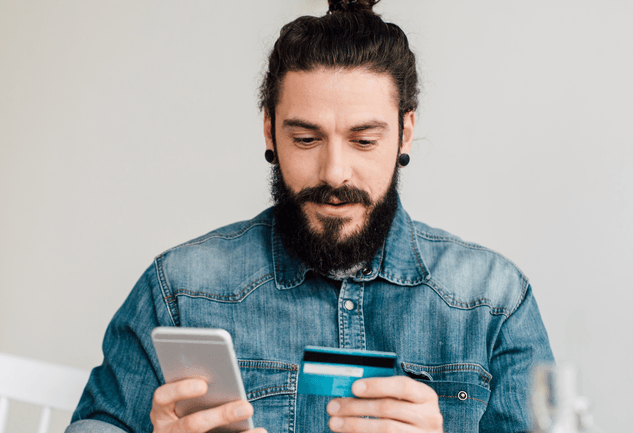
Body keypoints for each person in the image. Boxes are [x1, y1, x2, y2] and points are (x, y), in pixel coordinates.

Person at [66, 1, 554, 432]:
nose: (334, 172)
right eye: (305, 139)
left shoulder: (494, 301)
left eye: (364, 140)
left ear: (405, 134)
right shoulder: (179, 288)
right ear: (269, 131)